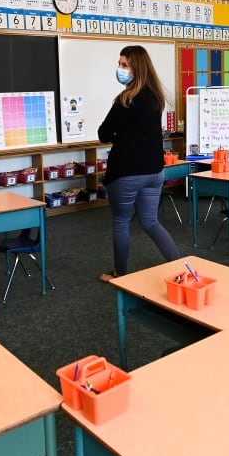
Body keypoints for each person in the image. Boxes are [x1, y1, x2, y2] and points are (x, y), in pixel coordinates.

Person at [97, 45, 180, 282]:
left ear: (137, 68)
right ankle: (182, 267)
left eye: (124, 65)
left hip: (126, 172)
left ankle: (120, 275)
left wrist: (118, 136)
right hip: (154, 172)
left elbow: (104, 133)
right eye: (120, 64)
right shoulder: (155, 97)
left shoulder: (126, 99)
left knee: (121, 223)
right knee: (151, 222)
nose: (120, 69)